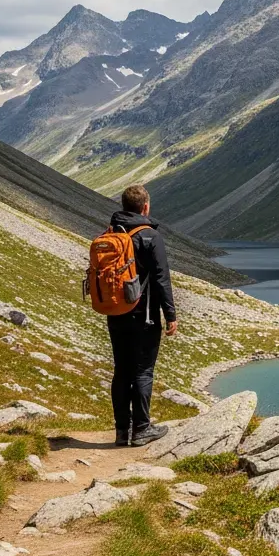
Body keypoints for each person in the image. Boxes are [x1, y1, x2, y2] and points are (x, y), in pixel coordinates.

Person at [107, 184, 178, 447]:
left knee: (121, 370)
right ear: (145, 206)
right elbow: (161, 279)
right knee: (143, 371)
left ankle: (121, 431)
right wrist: (170, 314)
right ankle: (142, 429)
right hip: (143, 315)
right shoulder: (149, 236)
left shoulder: (113, 232)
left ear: (124, 206)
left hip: (115, 313)